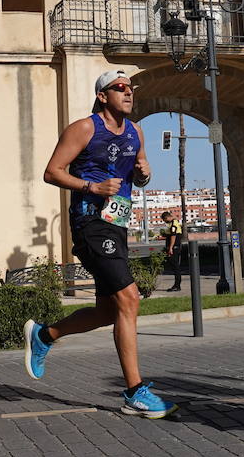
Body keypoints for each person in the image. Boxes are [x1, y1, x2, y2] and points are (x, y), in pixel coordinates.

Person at [23, 71, 177, 418]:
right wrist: (91, 188)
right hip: (89, 223)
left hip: (117, 224)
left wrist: (142, 174)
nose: (128, 93)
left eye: (130, 89)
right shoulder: (84, 128)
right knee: (129, 298)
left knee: (109, 311)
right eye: (119, 88)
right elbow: (52, 172)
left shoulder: (136, 131)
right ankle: (135, 392)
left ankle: (45, 336)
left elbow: (138, 173)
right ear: (103, 96)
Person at [161, 208, 184, 292]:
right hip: (173, 247)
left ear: (167, 217)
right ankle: (176, 285)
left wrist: (170, 248)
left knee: (176, 267)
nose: (164, 221)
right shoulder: (172, 223)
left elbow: (173, 236)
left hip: (174, 248)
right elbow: (170, 235)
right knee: (174, 266)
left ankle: (177, 286)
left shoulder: (174, 223)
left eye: (164, 220)